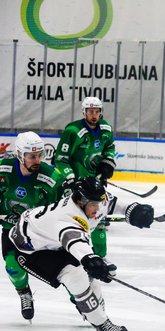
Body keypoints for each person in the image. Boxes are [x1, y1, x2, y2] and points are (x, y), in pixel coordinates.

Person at [4, 176, 154, 331]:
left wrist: (134, 211)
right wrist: (92, 261)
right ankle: (103, 324)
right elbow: (74, 242)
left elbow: (111, 204)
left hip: (52, 240)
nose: (98, 209)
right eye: (93, 205)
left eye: (99, 203)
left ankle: (93, 312)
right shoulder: (66, 219)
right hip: (30, 250)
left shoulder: (92, 201)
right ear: (80, 201)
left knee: (90, 279)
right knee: (76, 277)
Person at [0, 132, 64, 321]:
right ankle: (24, 293)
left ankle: (80, 301)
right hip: (12, 230)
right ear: (20, 155)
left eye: (39, 155)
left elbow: (65, 204)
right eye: (32, 156)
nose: (37, 160)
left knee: (64, 267)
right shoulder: (3, 169)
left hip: (41, 231)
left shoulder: (51, 176)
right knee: (12, 266)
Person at [54, 96, 117, 265]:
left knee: (100, 221)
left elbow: (110, 148)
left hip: (95, 183)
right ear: (84, 112)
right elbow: (60, 159)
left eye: (97, 111)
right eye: (90, 112)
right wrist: (70, 178)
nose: (94, 115)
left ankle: (100, 257)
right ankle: (74, 255)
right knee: (75, 221)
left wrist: (107, 163)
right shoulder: (73, 131)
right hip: (77, 184)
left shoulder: (106, 128)